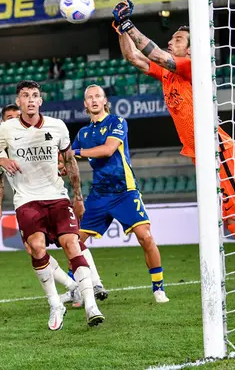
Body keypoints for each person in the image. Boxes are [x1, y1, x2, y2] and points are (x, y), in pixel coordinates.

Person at [114, 0, 235, 325]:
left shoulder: (192, 66)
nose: (170, 43)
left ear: (189, 50)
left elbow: (153, 53)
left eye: (177, 40)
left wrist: (131, 25)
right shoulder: (167, 74)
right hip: (200, 156)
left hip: (219, 149)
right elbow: (132, 56)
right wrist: (121, 28)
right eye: (172, 39)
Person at [0, 80, 104, 330]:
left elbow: (70, 162)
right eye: (25, 96)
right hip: (27, 200)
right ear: (19, 101)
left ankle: (91, 306)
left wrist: (78, 197)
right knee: (36, 248)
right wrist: (2, 161)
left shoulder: (57, 126)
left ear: (40, 100)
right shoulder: (6, 129)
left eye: (35, 95)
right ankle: (55, 303)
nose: (30, 100)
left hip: (57, 197)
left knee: (72, 244)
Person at [72, 84, 169, 303]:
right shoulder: (83, 133)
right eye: (90, 97)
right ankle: (80, 287)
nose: (95, 100)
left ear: (105, 100)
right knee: (75, 243)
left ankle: (158, 287)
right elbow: (67, 159)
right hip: (99, 194)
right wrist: (60, 164)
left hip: (125, 191)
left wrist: (75, 152)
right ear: (85, 104)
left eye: (98, 96)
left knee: (145, 237)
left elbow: (107, 150)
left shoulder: (117, 122)